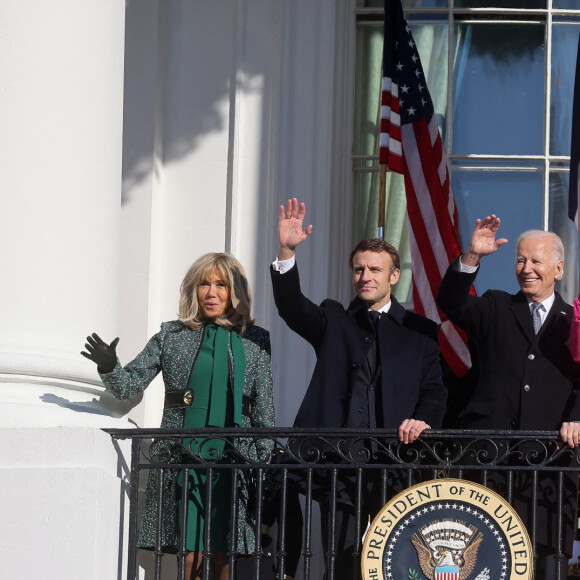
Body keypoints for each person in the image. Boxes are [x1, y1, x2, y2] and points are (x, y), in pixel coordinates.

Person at [270, 198, 447, 580]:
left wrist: (423, 420)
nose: (365, 276)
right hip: (339, 463)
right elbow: (291, 307)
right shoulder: (334, 319)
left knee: (398, 560)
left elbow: (434, 390)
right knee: (341, 561)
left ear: (393, 276)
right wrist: (286, 252)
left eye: (374, 269)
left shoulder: (420, 331)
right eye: (359, 269)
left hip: (399, 462)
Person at [81, 252, 275, 580]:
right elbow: (128, 386)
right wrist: (108, 365)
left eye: (221, 285)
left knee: (225, 556)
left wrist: (260, 463)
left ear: (235, 292)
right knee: (190, 556)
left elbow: (264, 414)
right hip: (181, 455)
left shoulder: (255, 341)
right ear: (193, 290)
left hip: (234, 460)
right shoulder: (170, 336)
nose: (211, 292)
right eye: (204, 284)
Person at [436, 214, 580, 580]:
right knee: (484, 559)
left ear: (558, 268)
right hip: (489, 460)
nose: (526, 268)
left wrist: (577, 417)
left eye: (536, 261)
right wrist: (472, 257)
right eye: (520, 260)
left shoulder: (572, 321)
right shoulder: (495, 306)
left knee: (548, 562)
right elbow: (451, 302)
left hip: (551, 464)